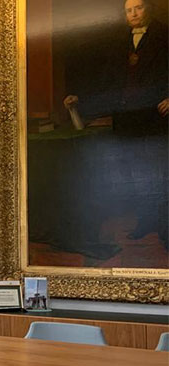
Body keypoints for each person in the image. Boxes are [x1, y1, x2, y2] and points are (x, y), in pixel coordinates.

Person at [62, 0, 168, 249]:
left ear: (148, 8)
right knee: (135, 173)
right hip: (127, 117)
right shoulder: (120, 39)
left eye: (138, 8)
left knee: (159, 173)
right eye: (129, 11)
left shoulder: (165, 34)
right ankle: (145, 222)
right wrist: (82, 98)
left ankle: (165, 228)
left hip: (156, 118)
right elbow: (108, 80)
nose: (133, 14)